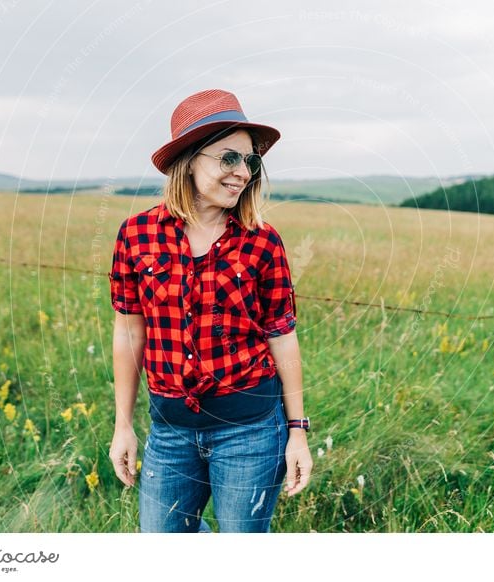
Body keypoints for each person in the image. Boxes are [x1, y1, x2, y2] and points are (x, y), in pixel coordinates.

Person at [107, 89, 313, 533]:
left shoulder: (262, 241)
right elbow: (128, 332)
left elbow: (282, 334)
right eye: (229, 159)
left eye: (250, 161)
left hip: (251, 432)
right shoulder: (137, 235)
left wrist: (297, 431)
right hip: (169, 431)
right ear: (189, 158)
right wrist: (123, 425)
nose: (243, 173)